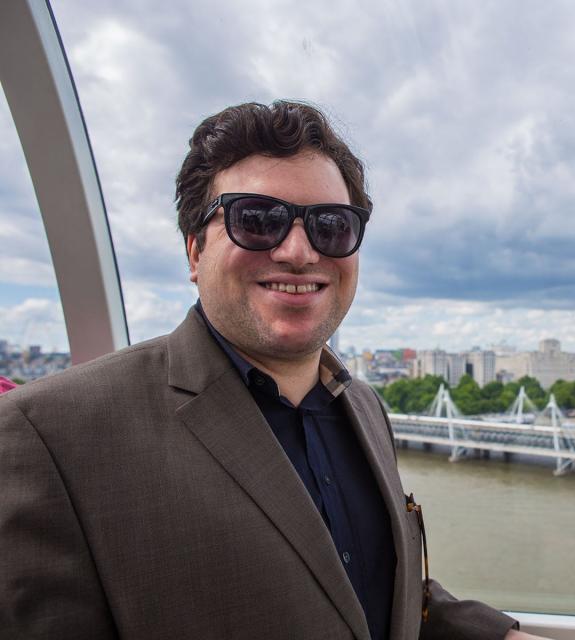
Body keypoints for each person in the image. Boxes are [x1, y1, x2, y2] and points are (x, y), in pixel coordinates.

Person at [0, 100, 547, 640]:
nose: (298, 251)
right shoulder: (49, 433)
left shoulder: (363, 407)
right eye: (258, 220)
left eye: (331, 226)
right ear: (194, 252)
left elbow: (374, 590)